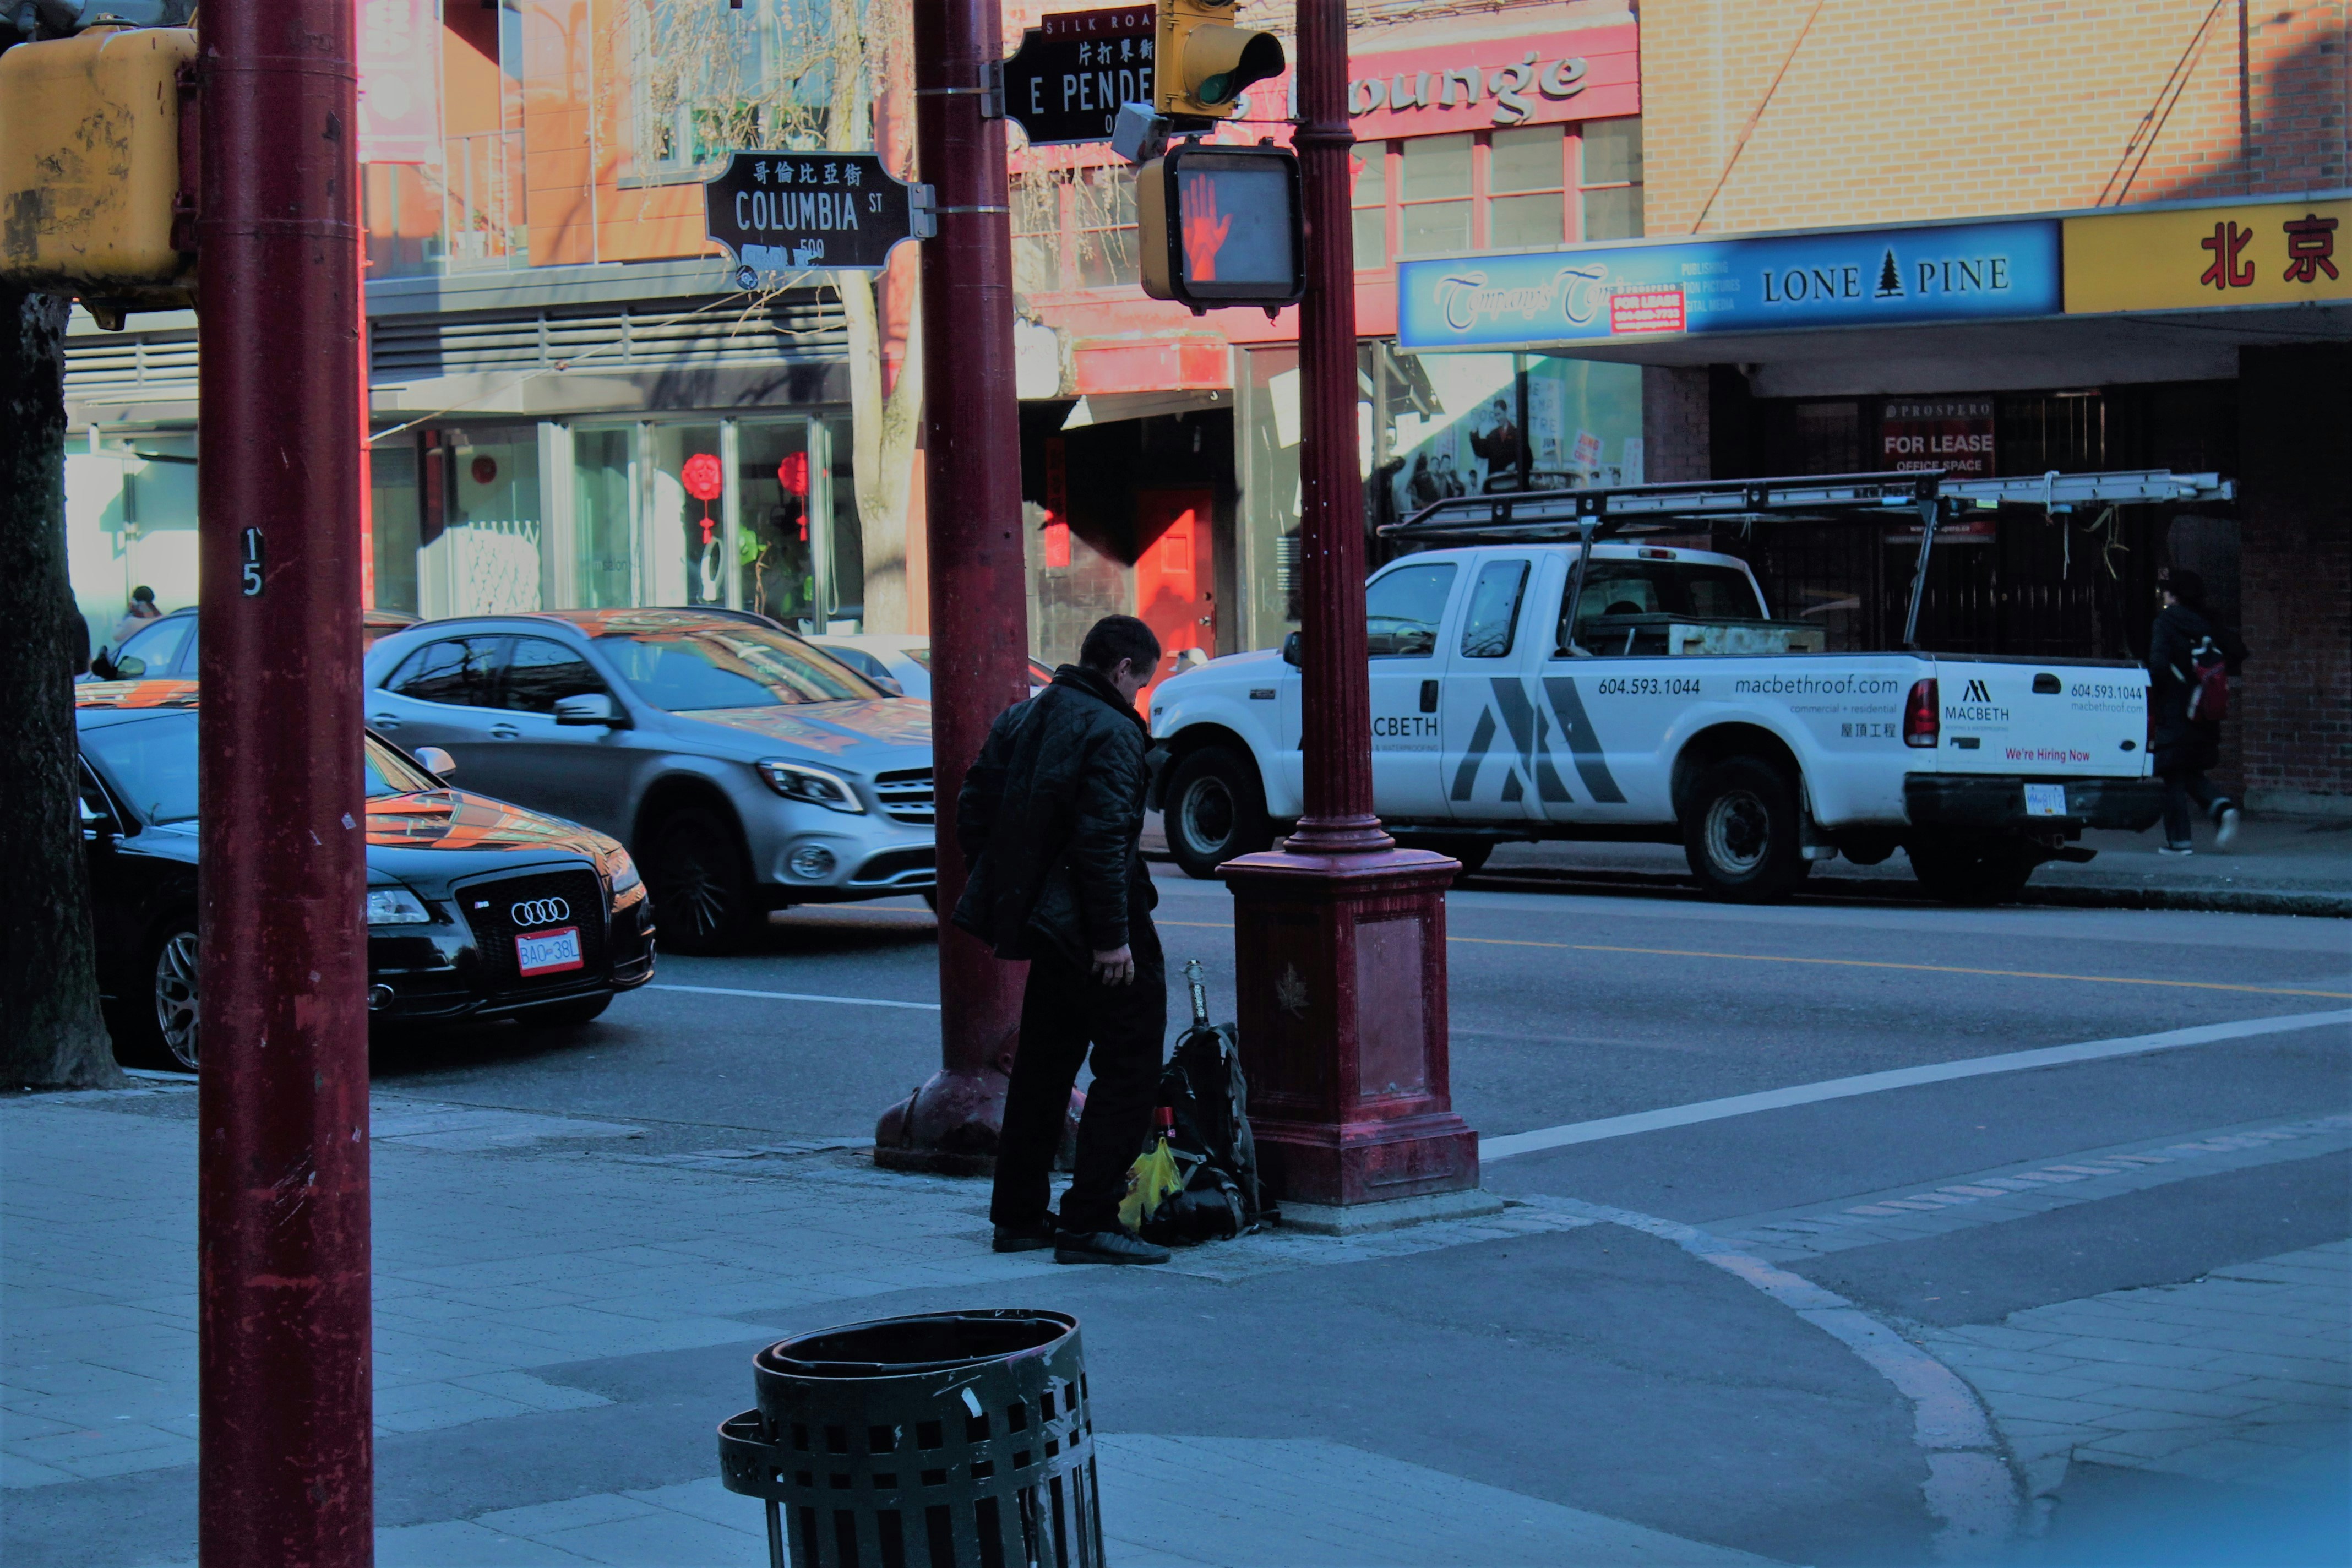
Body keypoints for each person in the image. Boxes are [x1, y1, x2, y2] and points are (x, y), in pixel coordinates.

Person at [954, 615, 1172, 1266]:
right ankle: (1090, 1218)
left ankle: (1019, 1215)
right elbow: (1104, 842)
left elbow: (973, 805)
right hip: (1100, 923)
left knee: (1045, 1067)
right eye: (1141, 682)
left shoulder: (1027, 715)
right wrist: (1112, 939)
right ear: (1122, 669)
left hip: (1047, 925)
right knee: (1129, 1063)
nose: (1139, 696)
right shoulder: (1111, 730)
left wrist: (1015, 883)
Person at [2147, 569, 2246, 856]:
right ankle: (2221, 807)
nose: (2163, 596)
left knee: (2172, 773)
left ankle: (2179, 842)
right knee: (2189, 769)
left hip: (2176, 709)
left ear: (2174, 595)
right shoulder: (2209, 622)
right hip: (2205, 707)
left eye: (2166, 591)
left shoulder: (2167, 621)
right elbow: (2238, 651)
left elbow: (2158, 665)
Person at [110, 586, 161, 651]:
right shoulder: (160, 620)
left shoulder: (132, 622)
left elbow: (116, 637)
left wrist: (127, 614)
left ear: (135, 600)